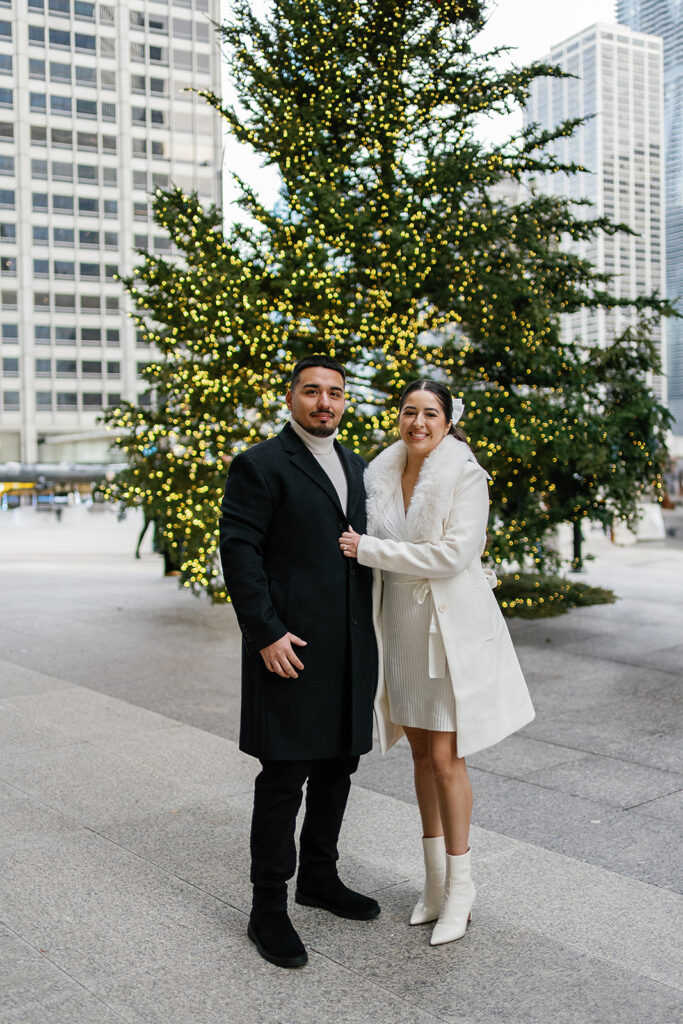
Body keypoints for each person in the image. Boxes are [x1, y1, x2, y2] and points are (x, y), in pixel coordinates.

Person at [339, 380, 535, 947]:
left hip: (445, 628)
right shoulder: (377, 475)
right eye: (409, 412)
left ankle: (463, 888)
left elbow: (456, 553)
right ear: (397, 418)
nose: (418, 422)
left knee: (447, 756)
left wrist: (369, 549)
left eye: (430, 413)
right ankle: (433, 882)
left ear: (448, 422)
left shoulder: (466, 475)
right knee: (420, 752)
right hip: (398, 626)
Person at [219, 355, 379, 970]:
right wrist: (265, 633)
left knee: (339, 766)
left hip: (348, 652)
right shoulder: (260, 465)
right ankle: (267, 908)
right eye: (312, 391)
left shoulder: (360, 468)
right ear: (291, 398)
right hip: (288, 649)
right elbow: (239, 551)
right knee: (284, 778)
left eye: (335, 393)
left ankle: (319, 877)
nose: (324, 403)